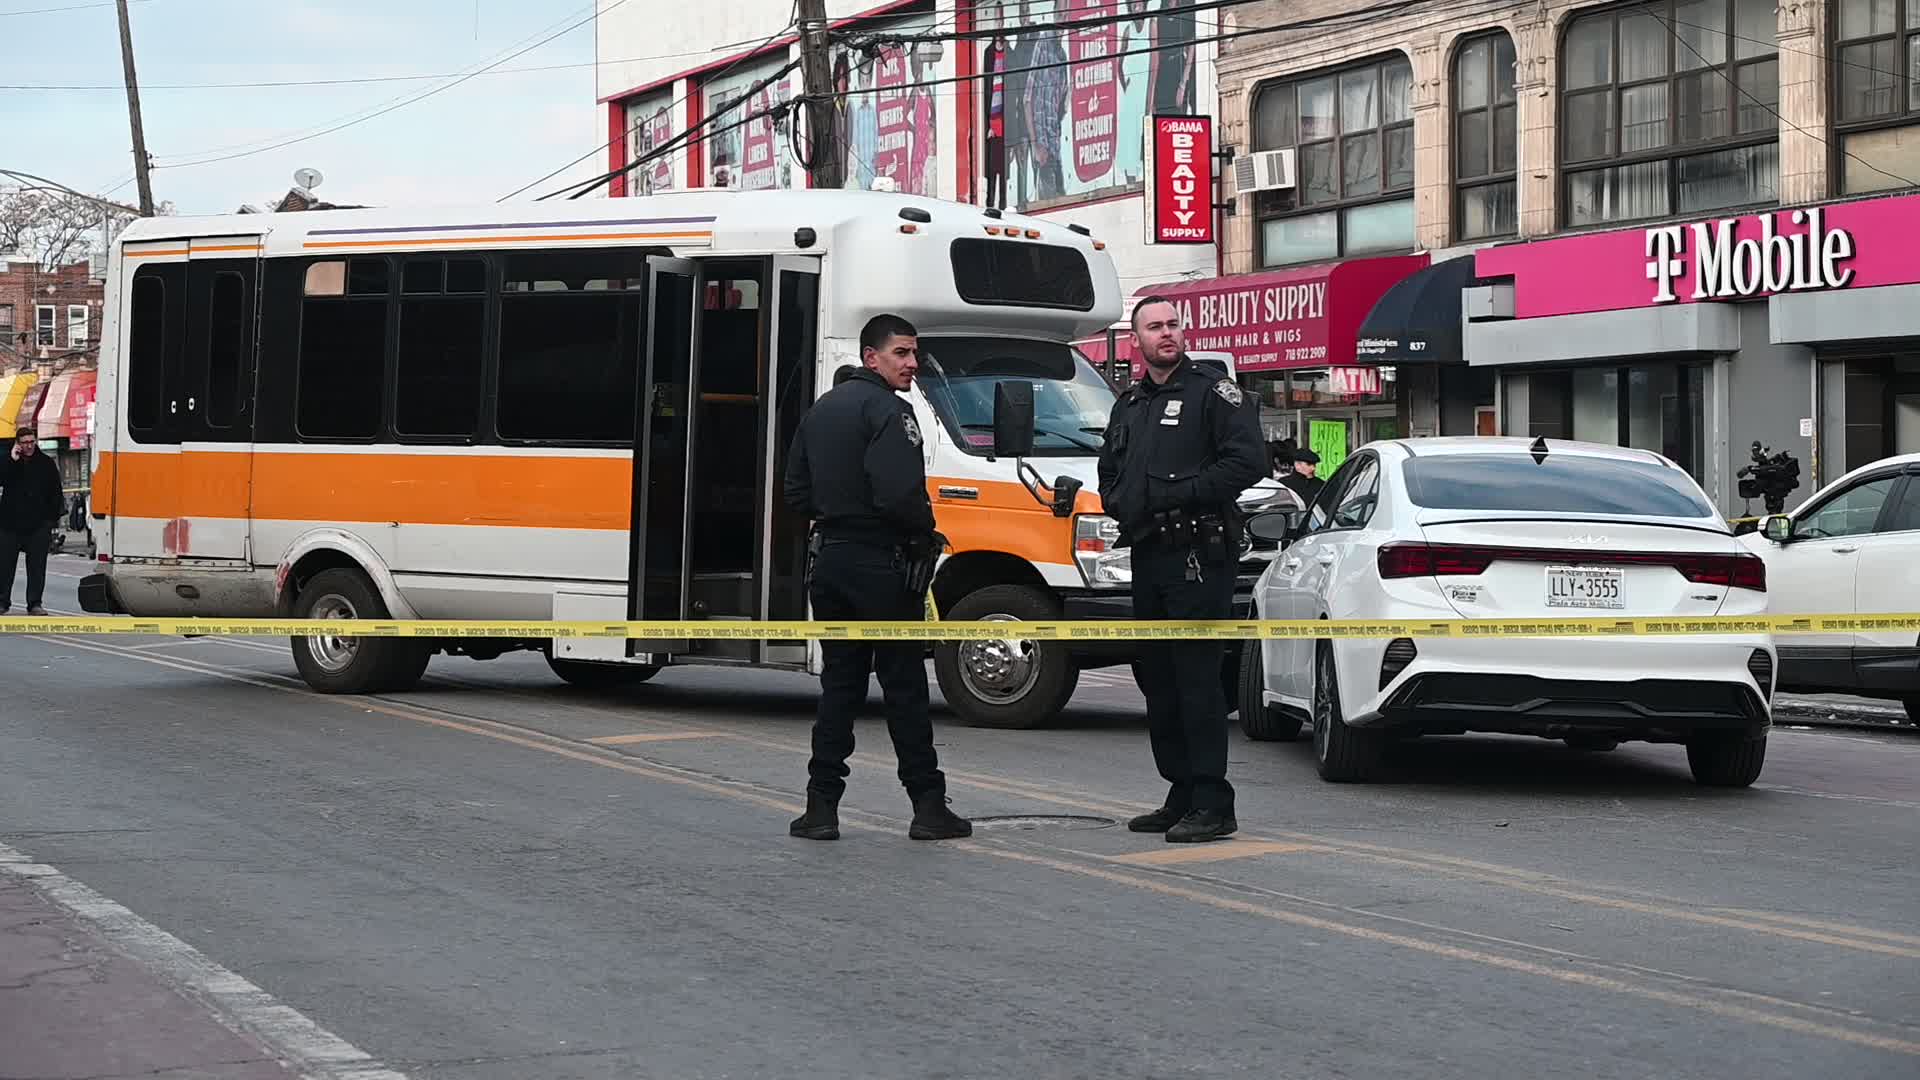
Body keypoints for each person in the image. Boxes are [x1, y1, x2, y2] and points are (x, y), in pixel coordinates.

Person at [782, 314, 971, 843]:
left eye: (913, 354)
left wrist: (838, 513)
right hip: (882, 566)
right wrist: (922, 537)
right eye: (902, 354)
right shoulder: (891, 411)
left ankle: (820, 808)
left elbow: (795, 492)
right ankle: (928, 806)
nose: (913, 364)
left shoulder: (820, 412)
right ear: (872, 358)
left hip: (833, 563)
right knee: (904, 687)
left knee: (839, 686)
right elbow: (898, 496)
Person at [1098, 296, 1265, 843]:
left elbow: (1247, 462)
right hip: (1148, 553)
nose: (1166, 333)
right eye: (1155, 327)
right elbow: (1112, 469)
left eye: (1173, 324)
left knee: (1195, 679)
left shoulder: (1212, 392)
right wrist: (1120, 500)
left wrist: (1181, 494)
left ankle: (1214, 801)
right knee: (1157, 678)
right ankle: (1182, 790)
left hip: (1198, 555)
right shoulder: (1131, 403)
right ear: (1137, 340)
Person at [0, 429, 64, 617]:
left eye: (32, 441)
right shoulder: (9, 461)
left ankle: (35, 603)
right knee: (5, 566)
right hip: (10, 523)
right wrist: (12, 459)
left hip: (38, 524)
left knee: (37, 567)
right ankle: (3, 602)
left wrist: (50, 521)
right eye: (25, 442)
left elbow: (55, 492)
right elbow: (2, 479)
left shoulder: (46, 463)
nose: (29, 445)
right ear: (18, 443)